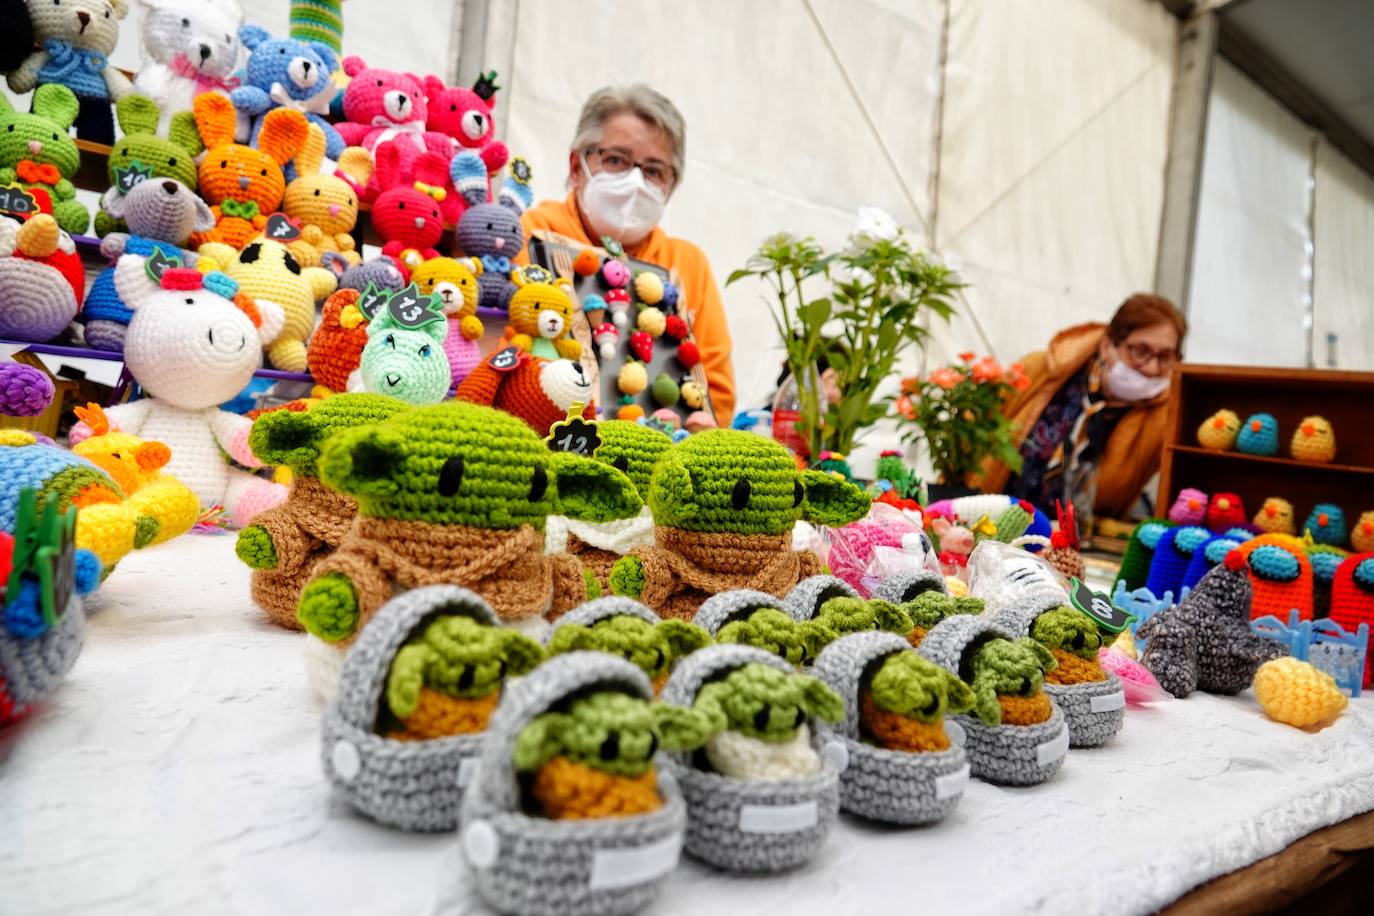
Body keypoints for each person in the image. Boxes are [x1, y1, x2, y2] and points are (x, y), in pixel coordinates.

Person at [518, 85, 735, 425]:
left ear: (671, 185)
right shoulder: (531, 232)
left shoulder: (687, 263)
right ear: (576, 166)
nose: (635, 181)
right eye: (616, 159)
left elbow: (717, 395)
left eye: (653, 170)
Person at [977, 294, 1188, 521]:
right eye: (1140, 350)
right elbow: (975, 436)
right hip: (991, 522)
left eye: (1166, 357)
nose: (1152, 367)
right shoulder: (1043, 369)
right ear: (1108, 345)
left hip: (1074, 546)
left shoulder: (1167, 415)